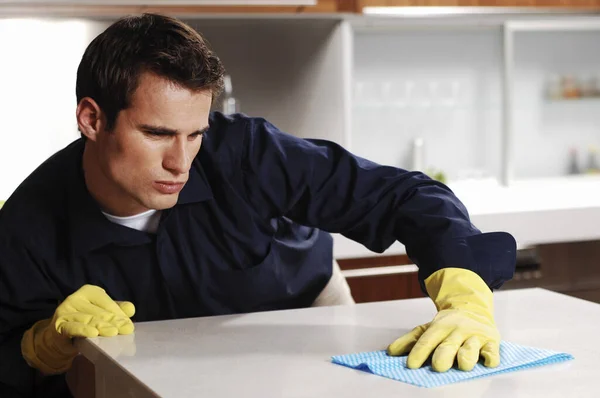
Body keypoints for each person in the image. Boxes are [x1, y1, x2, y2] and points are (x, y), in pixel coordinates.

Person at [0, 13, 516, 398]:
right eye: (157, 133)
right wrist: (38, 344)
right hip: (169, 365)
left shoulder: (245, 152)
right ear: (92, 120)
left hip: (306, 309)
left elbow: (404, 194)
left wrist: (467, 297)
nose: (181, 162)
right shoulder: (25, 226)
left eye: (195, 134)